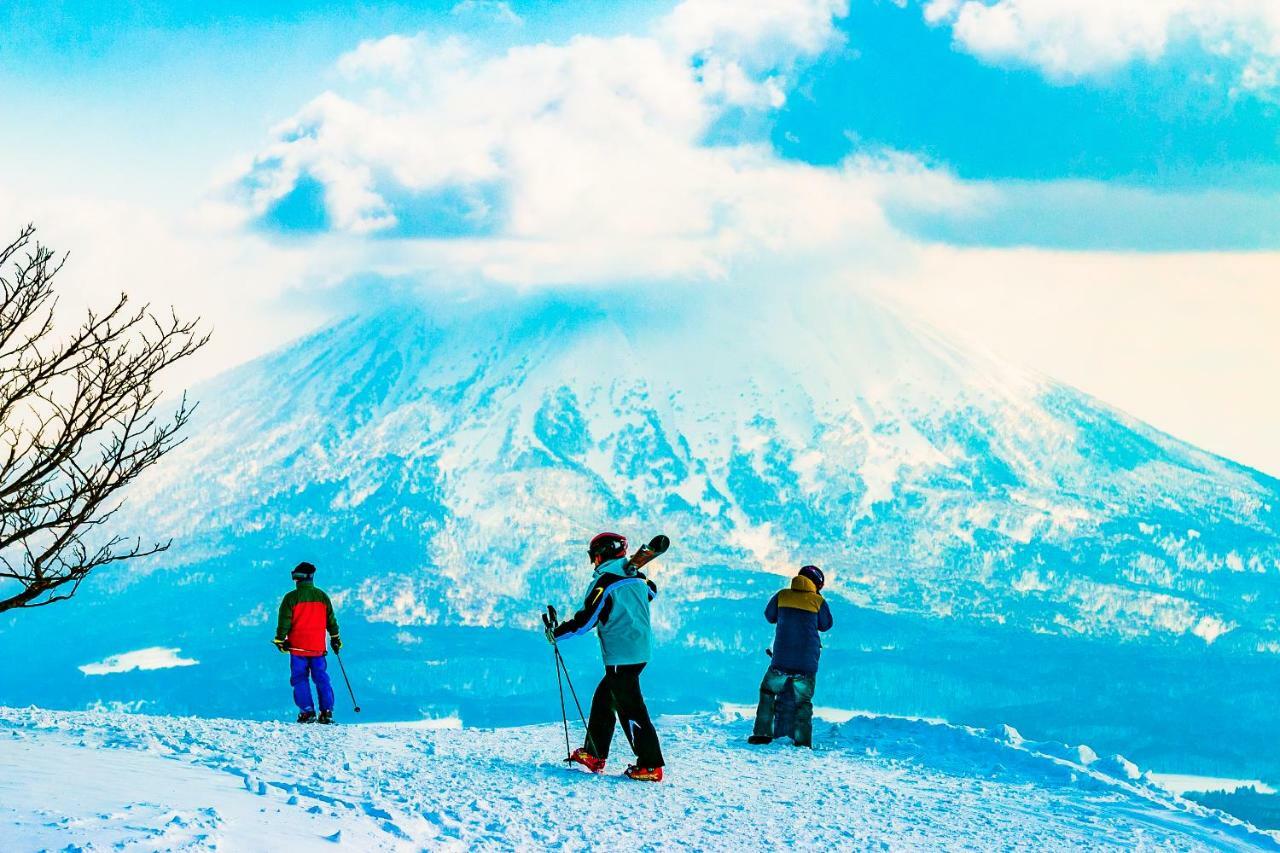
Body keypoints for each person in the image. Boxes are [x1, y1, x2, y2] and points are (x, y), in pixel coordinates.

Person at [548, 532, 665, 782]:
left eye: (594, 556)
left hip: (620, 655)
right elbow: (652, 592)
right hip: (640, 652)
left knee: (630, 708)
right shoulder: (638, 579)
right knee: (605, 698)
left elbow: (585, 621)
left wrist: (556, 634)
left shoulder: (606, 583)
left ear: (601, 555)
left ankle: (650, 764)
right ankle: (594, 753)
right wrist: (633, 574)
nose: (594, 562)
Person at [748, 565, 832, 748]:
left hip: (781, 662)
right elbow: (826, 625)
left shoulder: (782, 595)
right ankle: (802, 742)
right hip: (806, 665)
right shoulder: (818, 601)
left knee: (768, 691)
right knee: (803, 702)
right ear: (817, 584)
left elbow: (769, 616)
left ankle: (762, 734)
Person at [273, 561, 342, 724]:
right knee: (322, 678)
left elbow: (284, 622)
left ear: (298, 578)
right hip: (318, 648)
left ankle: (307, 712)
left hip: (297, 648)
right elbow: (331, 620)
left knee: (299, 678)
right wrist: (335, 638)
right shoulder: (322, 596)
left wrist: (279, 640)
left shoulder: (291, 598)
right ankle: (326, 712)